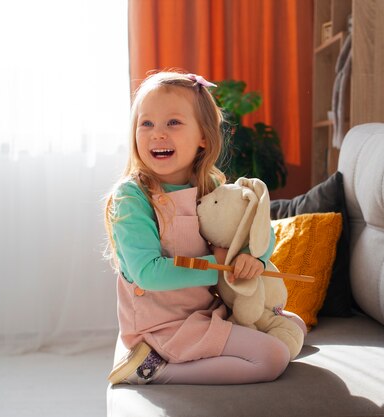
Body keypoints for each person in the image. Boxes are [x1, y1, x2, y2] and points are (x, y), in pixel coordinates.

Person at [104, 70, 306, 385]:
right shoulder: (132, 196)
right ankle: (155, 370)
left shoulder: (208, 185)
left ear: (202, 137)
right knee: (273, 357)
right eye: (146, 123)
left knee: (295, 324)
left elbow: (257, 231)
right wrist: (222, 267)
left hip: (206, 311)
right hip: (163, 326)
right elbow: (149, 273)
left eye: (173, 122)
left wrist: (255, 258)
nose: (157, 133)